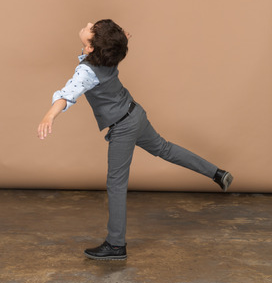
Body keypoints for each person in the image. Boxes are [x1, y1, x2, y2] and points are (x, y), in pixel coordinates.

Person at [37, 19, 234, 261]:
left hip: (123, 126)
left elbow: (67, 95)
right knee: (165, 148)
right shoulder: (110, 53)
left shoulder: (87, 71)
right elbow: (115, 44)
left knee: (116, 184)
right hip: (135, 113)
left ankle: (116, 245)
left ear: (90, 48)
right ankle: (217, 173)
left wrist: (50, 115)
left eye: (91, 29)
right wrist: (121, 36)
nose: (87, 23)